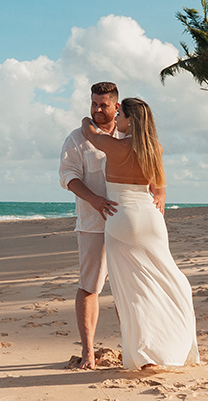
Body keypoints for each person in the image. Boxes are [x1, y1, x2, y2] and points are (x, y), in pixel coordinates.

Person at [80, 97, 199, 370]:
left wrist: (88, 118)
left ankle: (146, 353)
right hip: (152, 218)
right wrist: (161, 196)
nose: (116, 119)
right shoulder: (154, 148)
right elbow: (159, 187)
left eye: (119, 114)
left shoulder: (115, 146)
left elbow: (89, 132)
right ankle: (175, 347)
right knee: (168, 279)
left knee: (133, 292)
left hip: (122, 218)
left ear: (130, 120)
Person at [59, 81, 133, 369]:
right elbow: (68, 176)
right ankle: (88, 351)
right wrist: (95, 200)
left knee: (128, 288)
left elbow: (150, 165)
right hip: (93, 224)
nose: (97, 110)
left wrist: (159, 192)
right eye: (93, 104)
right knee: (90, 286)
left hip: (128, 223)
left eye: (103, 105)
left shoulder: (130, 134)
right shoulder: (77, 138)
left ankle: (132, 348)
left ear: (116, 106)